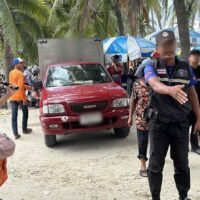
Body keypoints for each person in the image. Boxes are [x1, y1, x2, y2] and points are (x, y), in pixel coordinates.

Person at [141, 31, 200, 200]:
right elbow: (155, 84)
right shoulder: (150, 65)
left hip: (181, 124)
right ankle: (156, 197)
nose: (169, 49)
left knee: (182, 163)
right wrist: (170, 90)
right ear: (158, 49)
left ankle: (183, 195)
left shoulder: (185, 67)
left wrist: (199, 118)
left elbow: (193, 94)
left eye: (171, 45)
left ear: (176, 46)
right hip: (159, 124)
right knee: (155, 165)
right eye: (164, 46)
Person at [128, 77, 149, 177]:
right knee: (142, 140)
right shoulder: (136, 84)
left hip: (157, 117)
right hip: (141, 117)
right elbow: (133, 100)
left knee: (157, 140)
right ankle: (143, 165)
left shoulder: (159, 82)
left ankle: (155, 162)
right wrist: (130, 117)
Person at [9, 58, 32, 140]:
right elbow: (21, 87)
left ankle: (15, 134)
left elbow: (15, 85)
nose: (22, 65)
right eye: (21, 63)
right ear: (16, 64)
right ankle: (24, 129)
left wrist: (28, 87)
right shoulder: (20, 73)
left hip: (12, 97)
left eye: (22, 63)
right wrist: (24, 98)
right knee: (25, 113)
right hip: (20, 97)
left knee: (14, 116)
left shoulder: (11, 73)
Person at [188, 49, 200, 154]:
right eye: (194, 55)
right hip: (187, 103)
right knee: (185, 124)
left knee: (197, 123)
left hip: (199, 103)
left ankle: (195, 146)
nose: (196, 57)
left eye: (198, 56)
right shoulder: (186, 70)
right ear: (189, 58)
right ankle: (182, 145)